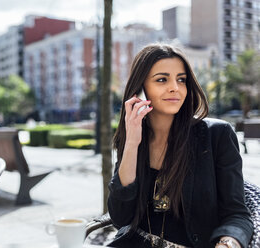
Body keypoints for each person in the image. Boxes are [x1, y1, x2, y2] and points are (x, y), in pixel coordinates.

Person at [107, 44, 253, 248]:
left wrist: (228, 244)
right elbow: (120, 217)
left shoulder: (216, 135)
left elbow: (238, 215)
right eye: (161, 79)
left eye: (181, 79)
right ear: (140, 89)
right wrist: (132, 143)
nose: (175, 87)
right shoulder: (133, 137)